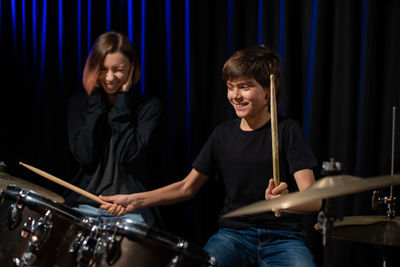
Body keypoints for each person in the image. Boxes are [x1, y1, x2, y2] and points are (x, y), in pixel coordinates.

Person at [99, 45, 322, 266]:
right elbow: (186, 187)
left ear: (269, 90)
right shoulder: (222, 135)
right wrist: (132, 200)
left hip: (283, 238)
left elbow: (313, 201)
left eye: (245, 87)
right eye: (230, 87)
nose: (235, 96)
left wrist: (285, 202)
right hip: (234, 235)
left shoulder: (287, 130)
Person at [65, 31, 163, 226]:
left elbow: (131, 156)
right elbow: (85, 156)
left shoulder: (148, 107)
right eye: (102, 69)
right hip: (84, 205)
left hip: (129, 210)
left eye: (117, 69)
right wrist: (95, 103)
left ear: (131, 68)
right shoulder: (80, 104)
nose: (109, 77)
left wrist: (122, 103)